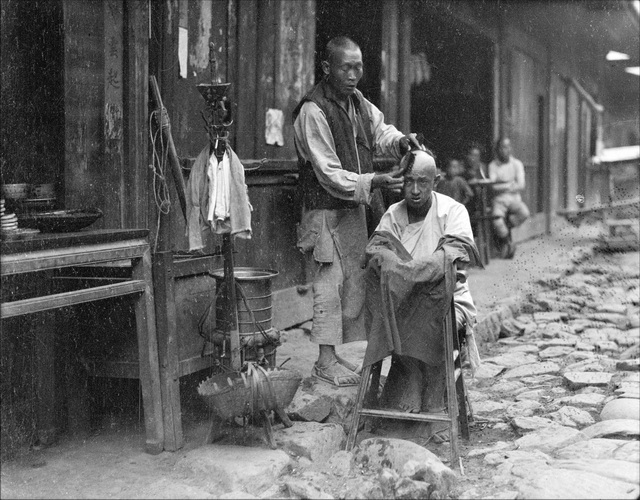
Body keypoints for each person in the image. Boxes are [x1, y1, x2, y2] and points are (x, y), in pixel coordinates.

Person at [292, 36, 422, 387]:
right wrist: (376, 179)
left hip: (351, 209)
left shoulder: (359, 102)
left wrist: (399, 141)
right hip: (323, 211)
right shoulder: (313, 110)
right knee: (327, 283)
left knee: (351, 281)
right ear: (326, 68)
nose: (353, 75)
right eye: (345, 67)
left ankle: (332, 358)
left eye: (358, 67)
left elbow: (380, 131)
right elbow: (329, 173)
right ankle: (323, 360)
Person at [363, 149, 481, 442]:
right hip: (403, 300)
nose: (415, 191)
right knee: (382, 299)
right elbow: (376, 251)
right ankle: (413, 375)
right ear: (401, 182)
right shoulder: (394, 214)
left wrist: (411, 269)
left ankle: (435, 396)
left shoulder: (452, 211)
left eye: (423, 182)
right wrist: (394, 265)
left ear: (435, 181)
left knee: (437, 314)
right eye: (409, 182)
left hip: (449, 300)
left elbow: (456, 256)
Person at [488, 137, 530, 259]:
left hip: (514, 199)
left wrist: (502, 185)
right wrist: (510, 184)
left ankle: (504, 228)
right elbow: (493, 187)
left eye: (506, 147)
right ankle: (508, 242)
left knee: (524, 213)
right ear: (497, 150)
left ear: (510, 148)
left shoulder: (517, 164)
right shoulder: (493, 165)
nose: (504, 150)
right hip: (499, 200)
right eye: (501, 147)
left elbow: (521, 185)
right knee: (496, 219)